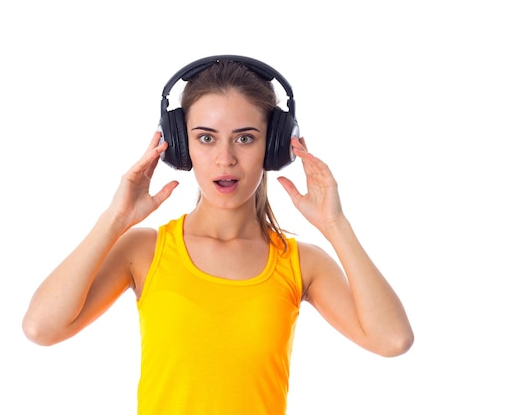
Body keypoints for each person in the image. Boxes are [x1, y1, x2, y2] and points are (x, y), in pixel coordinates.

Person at [22, 55, 414, 415]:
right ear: (180, 146)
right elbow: (42, 328)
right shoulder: (143, 251)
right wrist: (115, 218)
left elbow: (392, 340)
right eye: (206, 137)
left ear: (275, 146)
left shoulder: (301, 263)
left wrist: (335, 226)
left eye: (245, 138)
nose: (225, 158)